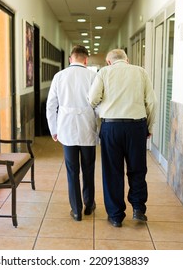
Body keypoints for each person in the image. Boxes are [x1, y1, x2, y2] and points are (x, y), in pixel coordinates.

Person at [88, 48, 157, 227]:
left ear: (109, 61)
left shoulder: (104, 72)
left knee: (112, 171)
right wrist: (149, 126)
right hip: (136, 127)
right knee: (138, 168)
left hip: (111, 126)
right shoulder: (140, 72)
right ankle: (138, 208)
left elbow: (92, 99)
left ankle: (116, 215)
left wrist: (102, 107)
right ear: (127, 60)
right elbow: (152, 102)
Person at [46, 45, 98, 221]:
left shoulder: (59, 76)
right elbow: (99, 104)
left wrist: (54, 129)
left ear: (70, 59)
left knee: (72, 170)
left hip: (66, 129)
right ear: (86, 59)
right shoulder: (93, 76)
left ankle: (76, 210)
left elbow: (51, 105)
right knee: (88, 168)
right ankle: (89, 204)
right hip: (88, 128)